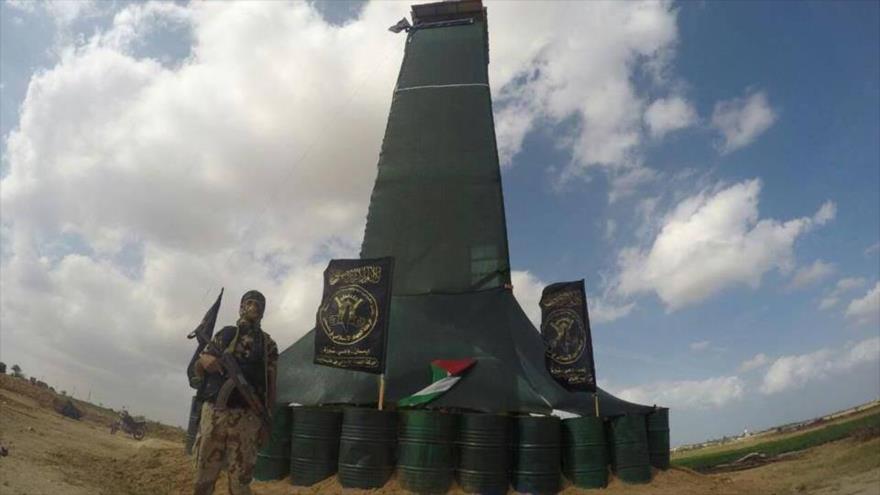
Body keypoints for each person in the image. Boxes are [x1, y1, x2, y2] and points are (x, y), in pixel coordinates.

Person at [192, 290, 278, 495]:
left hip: (248, 418)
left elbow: (272, 385)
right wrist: (205, 361)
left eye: (259, 305)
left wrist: (267, 421)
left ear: (263, 312)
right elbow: (198, 369)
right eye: (250, 302)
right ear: (241, 307)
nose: (254, 307)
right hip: (215, 413)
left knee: (241, 483)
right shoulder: (226, 334)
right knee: (203, 478)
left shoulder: (268, 345)